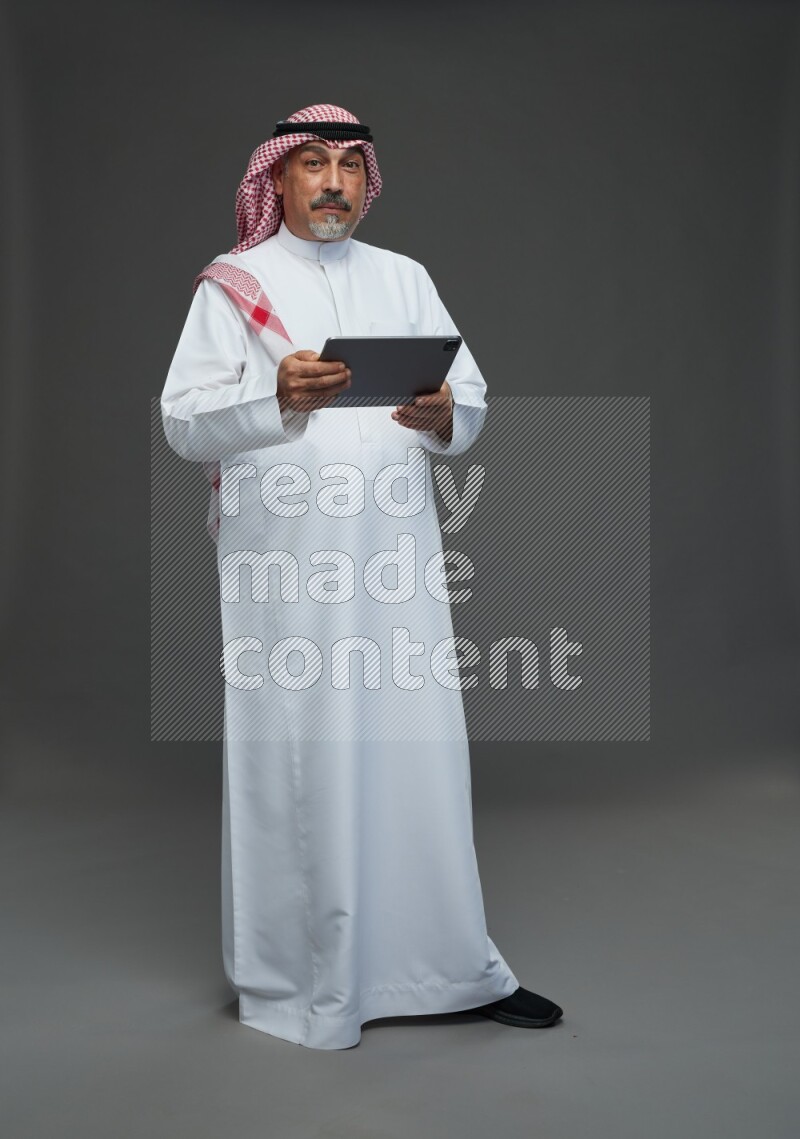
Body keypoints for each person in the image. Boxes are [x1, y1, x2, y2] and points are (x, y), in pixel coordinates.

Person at [160, 103, 563, 1049]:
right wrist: (274, 397)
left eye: (349, 164)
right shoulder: (236, 285)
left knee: (415, 749)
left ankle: (451, 966)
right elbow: (185, 424)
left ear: (366, 179)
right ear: (280, 178)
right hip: (286, 567)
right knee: (308, 753)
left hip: (397, 560)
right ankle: (310, 981)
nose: (334, 181)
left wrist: (441, 415)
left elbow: (469, 398)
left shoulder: (405, 277)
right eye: (312, 164)